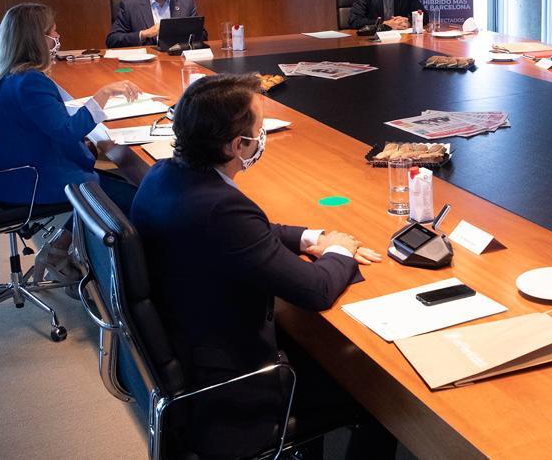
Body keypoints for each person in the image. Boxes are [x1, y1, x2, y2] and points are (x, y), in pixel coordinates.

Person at [129, 73, 393, 458]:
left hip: (189, 350)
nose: (262, 136)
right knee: (376, 392)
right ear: (239, 145)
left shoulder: (165, 176)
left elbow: (250, 231)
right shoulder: (222, 209)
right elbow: (315, 291)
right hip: (234, 389)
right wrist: (340, 250)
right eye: (260, 129)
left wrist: (312, 237)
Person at [0, 3, 141, 284]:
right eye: (52, 31)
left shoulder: (11, 77)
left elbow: (50, 125)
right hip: (34, 182)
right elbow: (67, 131)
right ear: (37, 38)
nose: (58, 35)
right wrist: (103, 94)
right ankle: (114, 284)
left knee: (114, 185)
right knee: (138, 201)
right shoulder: (31, 82)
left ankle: (59, 247)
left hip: (15, 176)